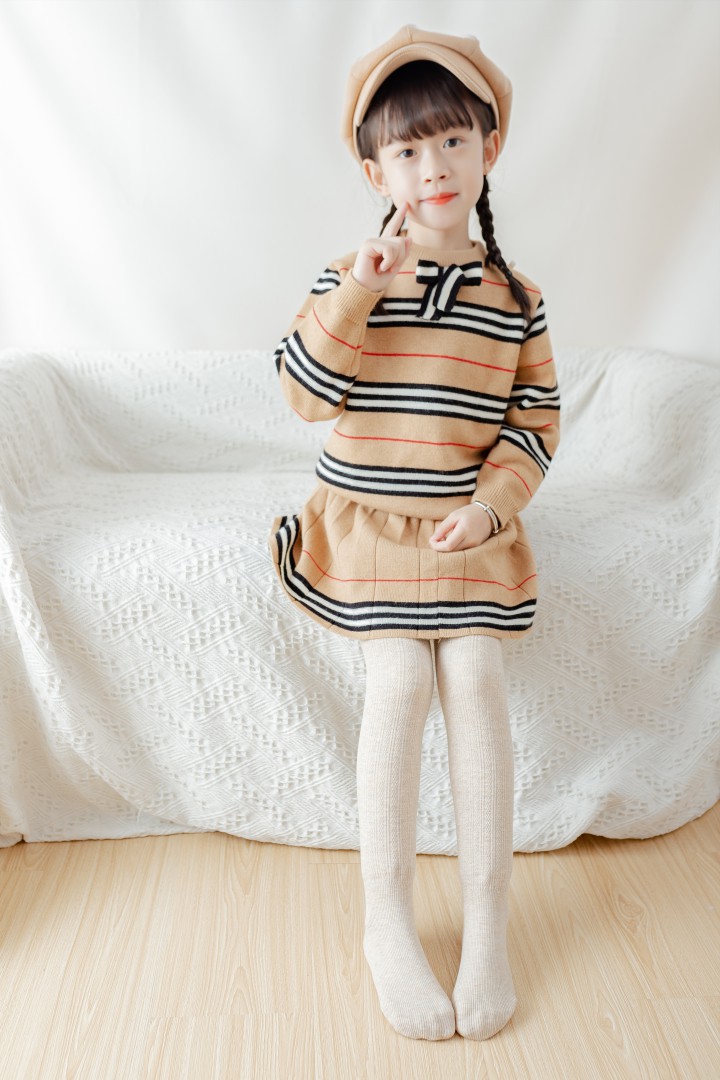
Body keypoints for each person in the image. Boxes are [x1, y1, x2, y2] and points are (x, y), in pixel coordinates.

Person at [268, 25, 561, 1042]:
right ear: (375, 172)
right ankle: (385, 923)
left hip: (465, 530)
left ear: (488, 149)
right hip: (369, 528)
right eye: (407, 149)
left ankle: (489, 926)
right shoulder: (349, 274)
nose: (432, 166)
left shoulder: (516, 300)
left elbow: (533, 424)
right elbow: (305, 393)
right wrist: (363, 281)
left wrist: (491, 506)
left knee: (475, 676)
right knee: (397, 680)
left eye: (451, 141)